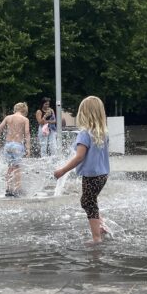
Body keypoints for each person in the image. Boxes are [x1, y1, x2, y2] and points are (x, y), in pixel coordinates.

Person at [54, 96, 110, 243]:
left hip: (91, 176)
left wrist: (62, 171)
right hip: (103, 174)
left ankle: (96, 237)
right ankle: (101, 226)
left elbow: (79, 157)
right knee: (89, 201)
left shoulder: (84, 134)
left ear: (84, 113)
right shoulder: (102, 132)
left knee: (88, 202)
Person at [0, 102, 31, 197]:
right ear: (24, 111)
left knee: (10, 167)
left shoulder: (8, 117)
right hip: (17, 145)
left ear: (15, 109)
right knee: (17, 167)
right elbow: (27, 133)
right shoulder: (24, 119)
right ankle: (18, 189)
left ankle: (8, 188)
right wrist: (28, 148)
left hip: (8, 145)